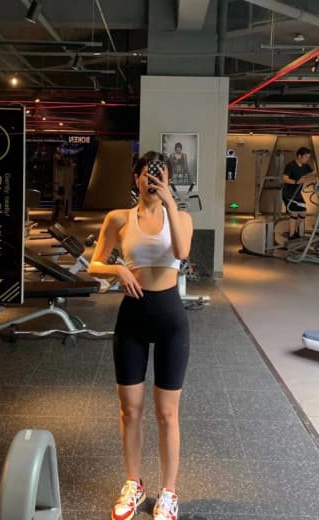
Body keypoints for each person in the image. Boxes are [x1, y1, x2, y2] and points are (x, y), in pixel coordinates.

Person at [88, 150, 193, 520]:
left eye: (160, 174)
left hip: (170, 320)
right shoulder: (118, 218)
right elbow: (93, 265)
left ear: (168, 179)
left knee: (167, 413)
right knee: (130, 410)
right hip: (132, 318)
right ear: (136, 178)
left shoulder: (181, 218)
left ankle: (169, 492)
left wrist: (169, 201)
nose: (153, 180)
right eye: (148, 174)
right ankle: (134, 483)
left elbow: (182, 251)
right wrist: (117, 270)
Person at [282, 147, 313, 240]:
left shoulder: (305, 166)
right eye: (306, 157)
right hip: (288, 194)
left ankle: (291, 231)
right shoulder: (291, 165)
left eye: (309, 157)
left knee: (303, 214)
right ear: (299, 156)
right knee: (295, 212)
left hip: (297, 194)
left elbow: (314, 173)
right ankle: (291, 235)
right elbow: (284, 178)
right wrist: (296, 182)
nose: (308, 159)